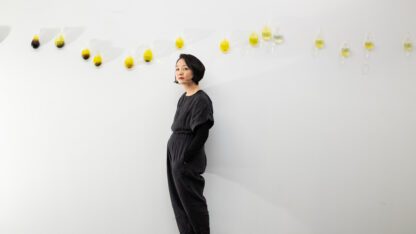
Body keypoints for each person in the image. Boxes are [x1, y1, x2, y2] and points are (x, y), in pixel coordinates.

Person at [167, 54, 214, 234]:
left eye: (185, 68)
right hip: (175, 154)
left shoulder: (201, 99)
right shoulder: (183, 97)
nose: (180, 72)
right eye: (177, 68)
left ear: (195, 71)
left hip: (185, 156)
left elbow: (202, 133)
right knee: (179, 204)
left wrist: (185, 158)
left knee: (192, 203)